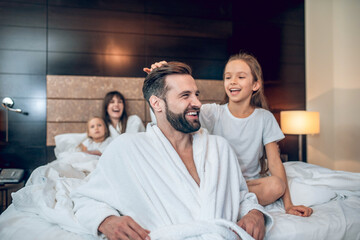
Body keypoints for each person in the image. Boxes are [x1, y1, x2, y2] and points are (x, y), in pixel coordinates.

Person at [72, 62, 273, 240]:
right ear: (156, 103)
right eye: (185, 95)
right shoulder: (127, 149)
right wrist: (106, 220)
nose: (196, 103)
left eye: (196, 94)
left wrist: (254, 212)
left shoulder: (220, 148)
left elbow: (241, 196)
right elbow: (84, 198)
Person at [144, 54, 313, 217]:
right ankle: (229, 201)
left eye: (240, 77)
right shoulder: (212, 112)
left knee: (276, 185)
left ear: (255, 85)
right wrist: (161, 77)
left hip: (249, 185)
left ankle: (228, 202)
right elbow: (173, 116)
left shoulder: (264, 118)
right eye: (228, 77)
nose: (232, 81)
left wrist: (288, 204)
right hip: (221, 181)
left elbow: (275, 162)